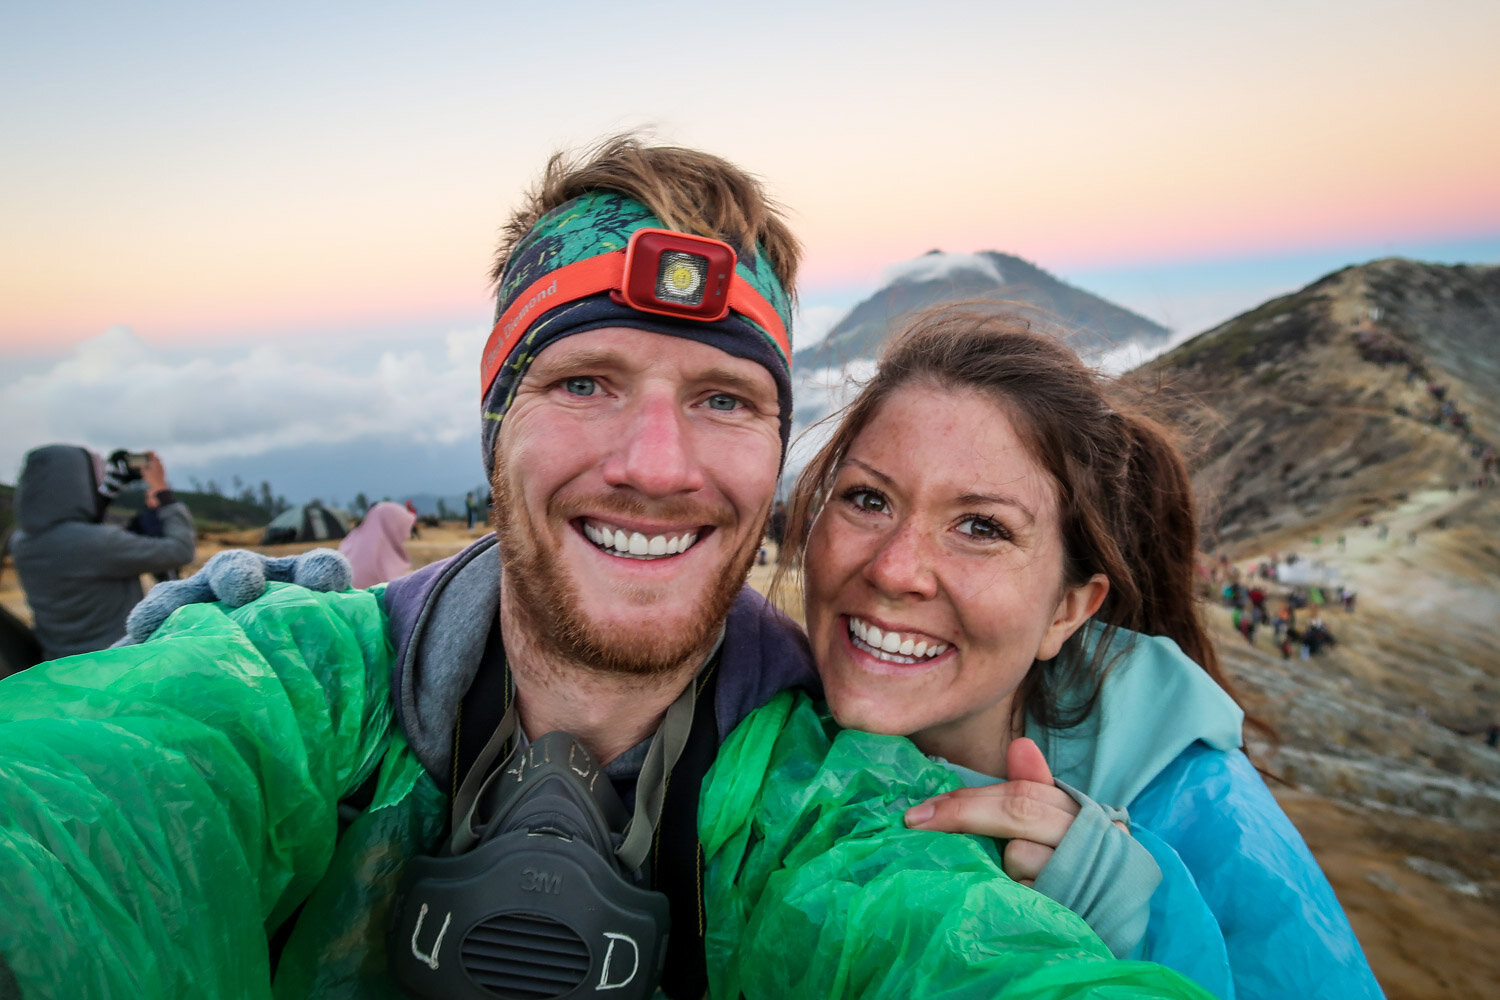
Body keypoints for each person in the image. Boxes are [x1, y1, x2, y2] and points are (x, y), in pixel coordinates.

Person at [0, 134, 821, 999]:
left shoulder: (842, 804)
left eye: (724, 399)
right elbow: (65, 798)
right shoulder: (304, 692)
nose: (656, 466)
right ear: (497, 431)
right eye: (584, 383)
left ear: (775, 448)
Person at [739, 306, 1383, 999]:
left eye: (981, 527)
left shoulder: (1203, 811)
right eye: (868, 499)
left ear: (1069, 610)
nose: (896, 570)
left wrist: (1135, 928)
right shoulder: (753, 726)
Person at [10, 445, 195, 659]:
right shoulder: (95, 544)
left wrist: (112, 488)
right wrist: (162, 491)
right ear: (78, 485)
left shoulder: (23, 541)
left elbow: (73, 519)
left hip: (60, 663)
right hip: (114, 664)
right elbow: (180, 550)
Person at [338, 500, 417, 588]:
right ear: (391, 528)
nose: (408, 535)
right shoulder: (380, 562)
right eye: (402, 529)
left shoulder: (351, 543)